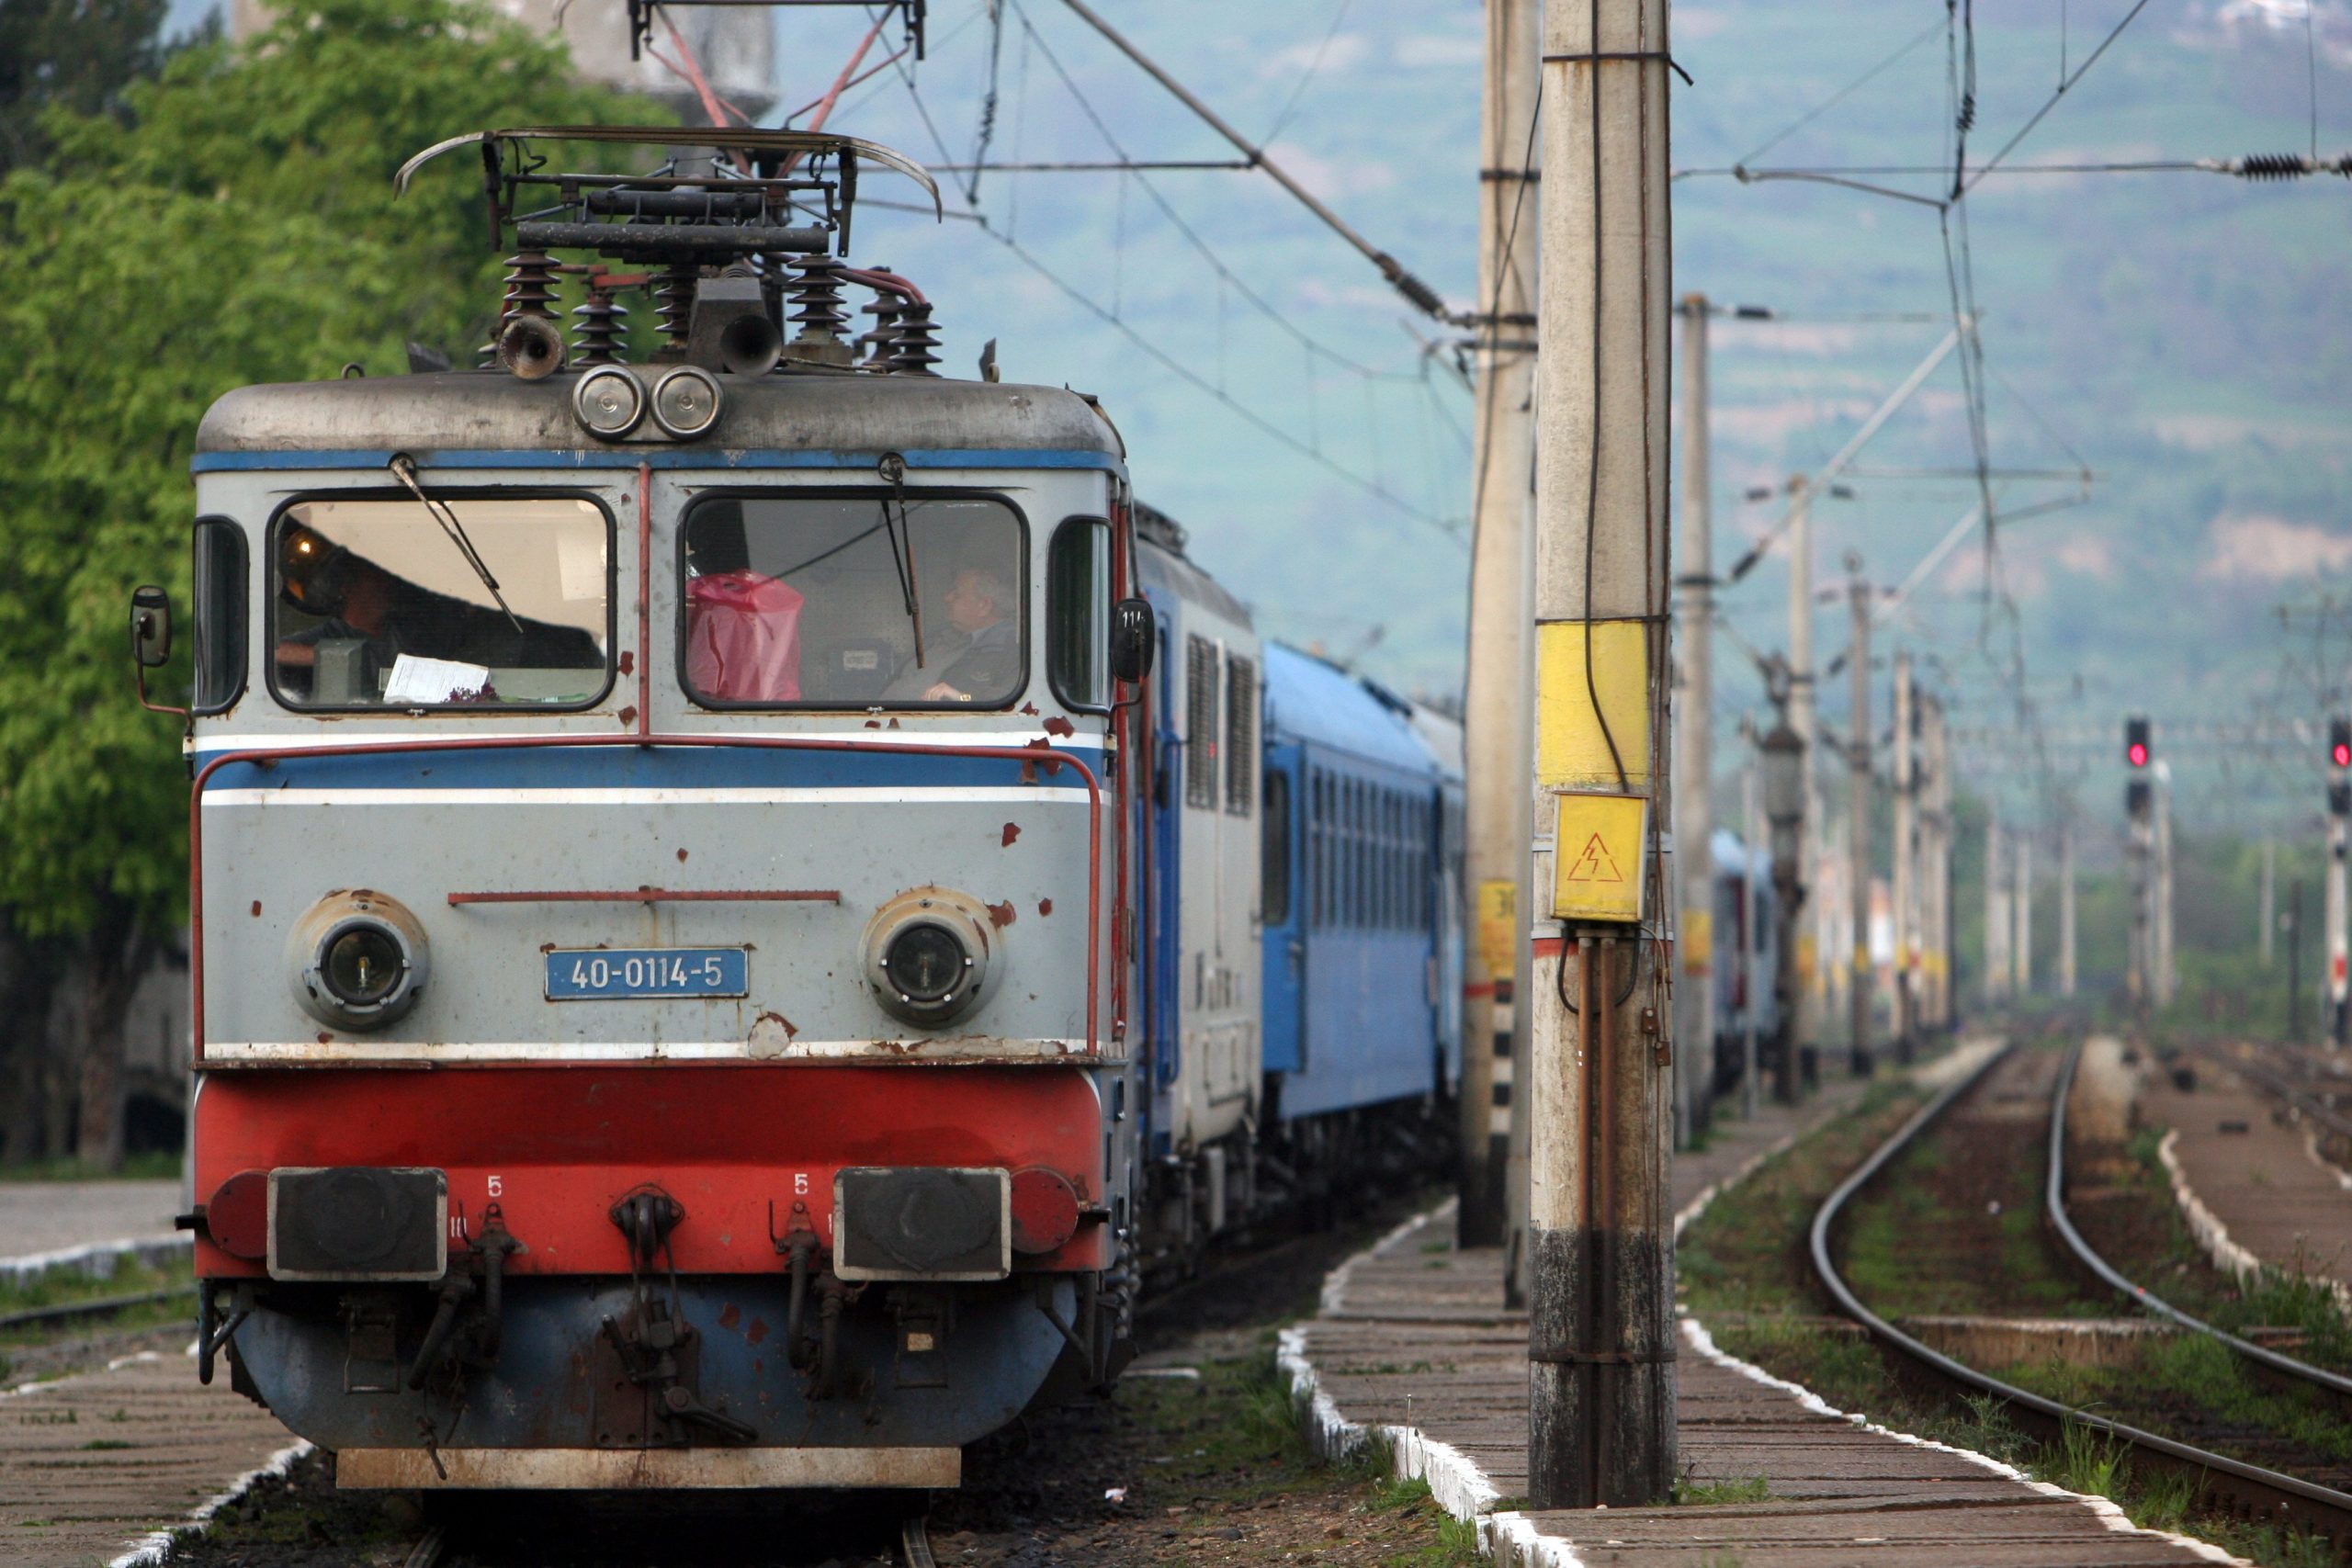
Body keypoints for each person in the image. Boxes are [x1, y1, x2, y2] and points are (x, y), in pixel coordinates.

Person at [275, 522, 600, 700]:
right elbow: (273, 652)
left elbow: (401, 666)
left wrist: (338, 659)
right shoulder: (342, 633)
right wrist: (326, 657)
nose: (386, 580)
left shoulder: (426, 622)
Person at [897, 566, 1018, 703]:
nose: (947, 598)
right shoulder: (939, 637)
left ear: (984, 605)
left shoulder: (1012, 649)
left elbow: (1006, 705)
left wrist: (961, 698)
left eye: (957, 594)